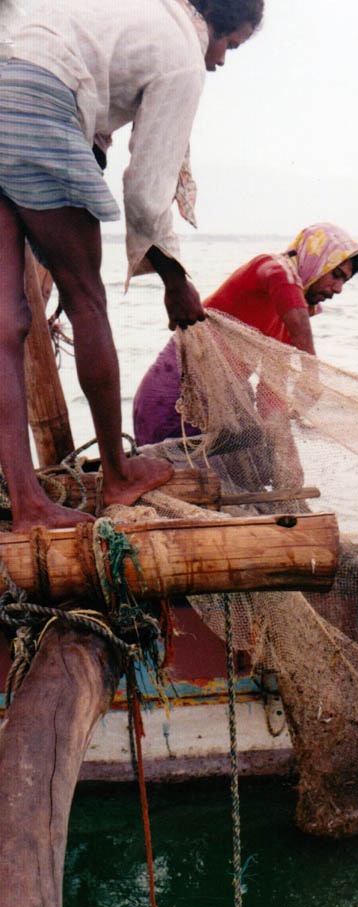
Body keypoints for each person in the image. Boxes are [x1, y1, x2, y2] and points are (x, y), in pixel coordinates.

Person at [0, 0, 263, 531]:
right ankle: (118, 475)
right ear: (215, 23)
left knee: (5, 322)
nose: (221, 60)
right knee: (85, 299)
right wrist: (175, 280)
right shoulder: (183, 56)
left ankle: (27, 502)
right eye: (229, 44)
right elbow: (147, 192)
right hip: (33, 96)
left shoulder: (138, 11)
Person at [132, 222, 358, 446]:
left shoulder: (288, 323)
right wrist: (311, 373)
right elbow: (285, 284)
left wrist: (288, 462)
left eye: (344, 282)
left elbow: (270, 397)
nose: (338, 289)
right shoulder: (274, 268)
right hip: (172, 399)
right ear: (316, 262)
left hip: (218, 412)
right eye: (335, 275)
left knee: (265, 460)